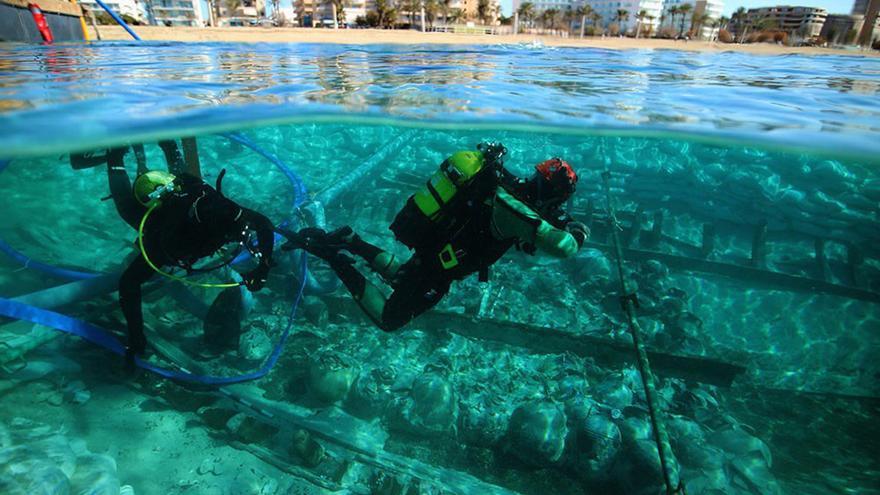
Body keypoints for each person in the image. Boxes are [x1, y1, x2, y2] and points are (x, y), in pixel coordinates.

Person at [280, 142, 589, 332]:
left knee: (403, 275)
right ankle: (335, 256)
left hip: (436, 250)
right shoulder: (516, 209)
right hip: (439, 268)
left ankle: (351, 240)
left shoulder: (506, 188)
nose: (559, 207)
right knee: (389, 319)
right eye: (560, 200)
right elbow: (564, 247)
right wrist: (576, 230)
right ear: (553, 195)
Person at [71, 141, 275, 364]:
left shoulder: (221, 210)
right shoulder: (168, 244)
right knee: (129, 207)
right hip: (166, 216)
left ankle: (135, 153)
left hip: (185, 192)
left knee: (185, 181)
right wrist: (136, 336)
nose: (240, 234)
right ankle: (119, 157)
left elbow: (264, 223)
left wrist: (263, 266)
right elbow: (128, 284)